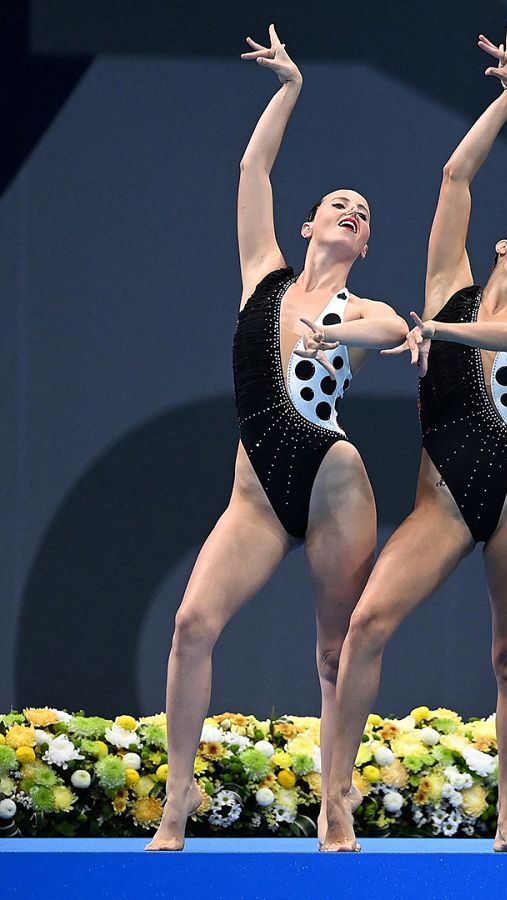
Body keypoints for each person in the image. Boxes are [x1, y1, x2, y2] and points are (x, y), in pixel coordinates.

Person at [147, 24, 406, 851]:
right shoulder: (263, 273)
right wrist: (289, 88)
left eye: (362, 217)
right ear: (308, 226)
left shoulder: (360, 308)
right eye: (338, 205)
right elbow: (253, 169)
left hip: (333, 486)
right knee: (192, 623)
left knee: (336, 654)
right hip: (256, 496)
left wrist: (350, 336)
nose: (349, 214)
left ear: (364, 245)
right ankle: (176, 799)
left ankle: (336, 799)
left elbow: (396, 326)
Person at [318, 23, 507, 854]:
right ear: (505, 245)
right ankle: (336, 797)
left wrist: (441, 335)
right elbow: (455, 174)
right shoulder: (447, 285)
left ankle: (506, 820)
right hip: (444, 494)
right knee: (367, 624)